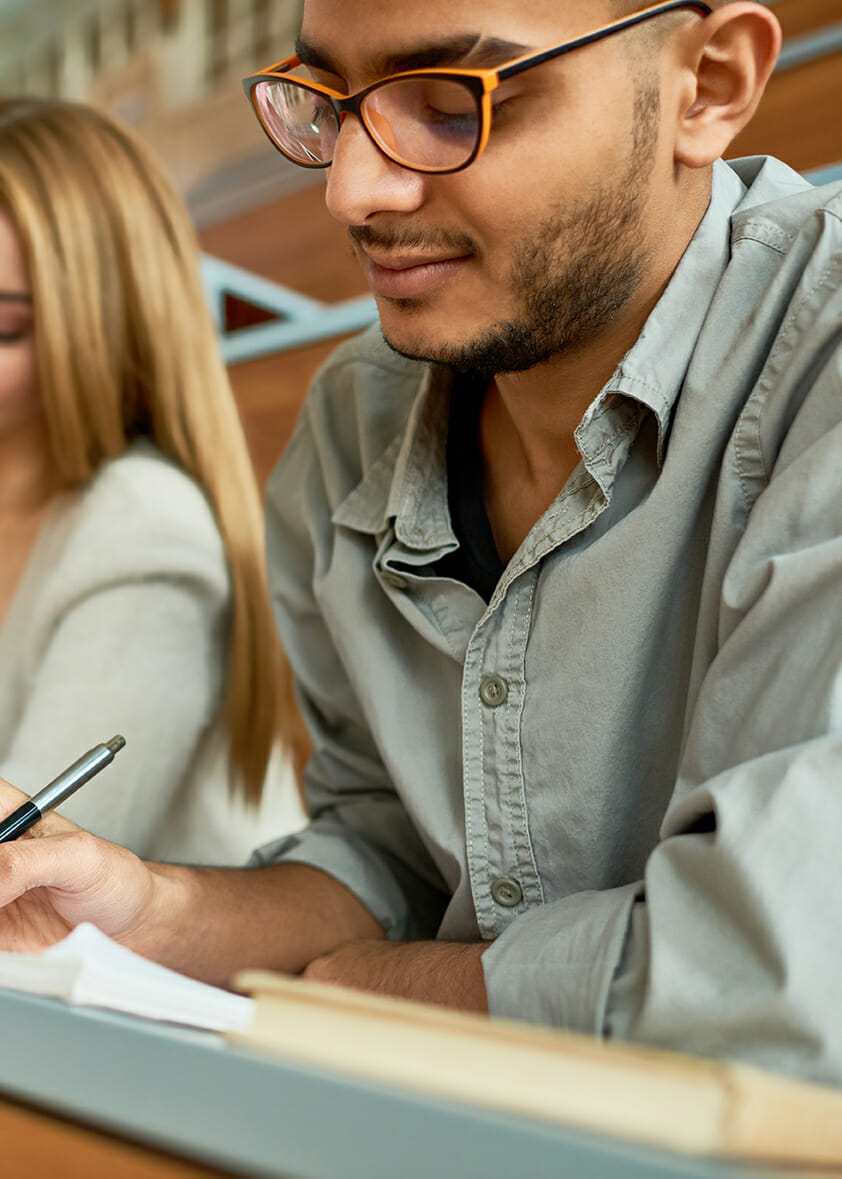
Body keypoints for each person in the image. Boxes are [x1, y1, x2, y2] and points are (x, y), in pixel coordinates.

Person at [1, 0, 841, 1085]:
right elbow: (385, 856)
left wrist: (388, 985)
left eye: (452, 106)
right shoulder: (354, 419)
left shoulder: (817, 373)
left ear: (711, 82)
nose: (353, 190)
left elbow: (785, 973)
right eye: (329, 107)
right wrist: (151, 906)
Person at [0, 97, 304, 864]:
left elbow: (26, 874)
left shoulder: (143, 530)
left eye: (1, 327)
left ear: (101, 329)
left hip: (143, 976)